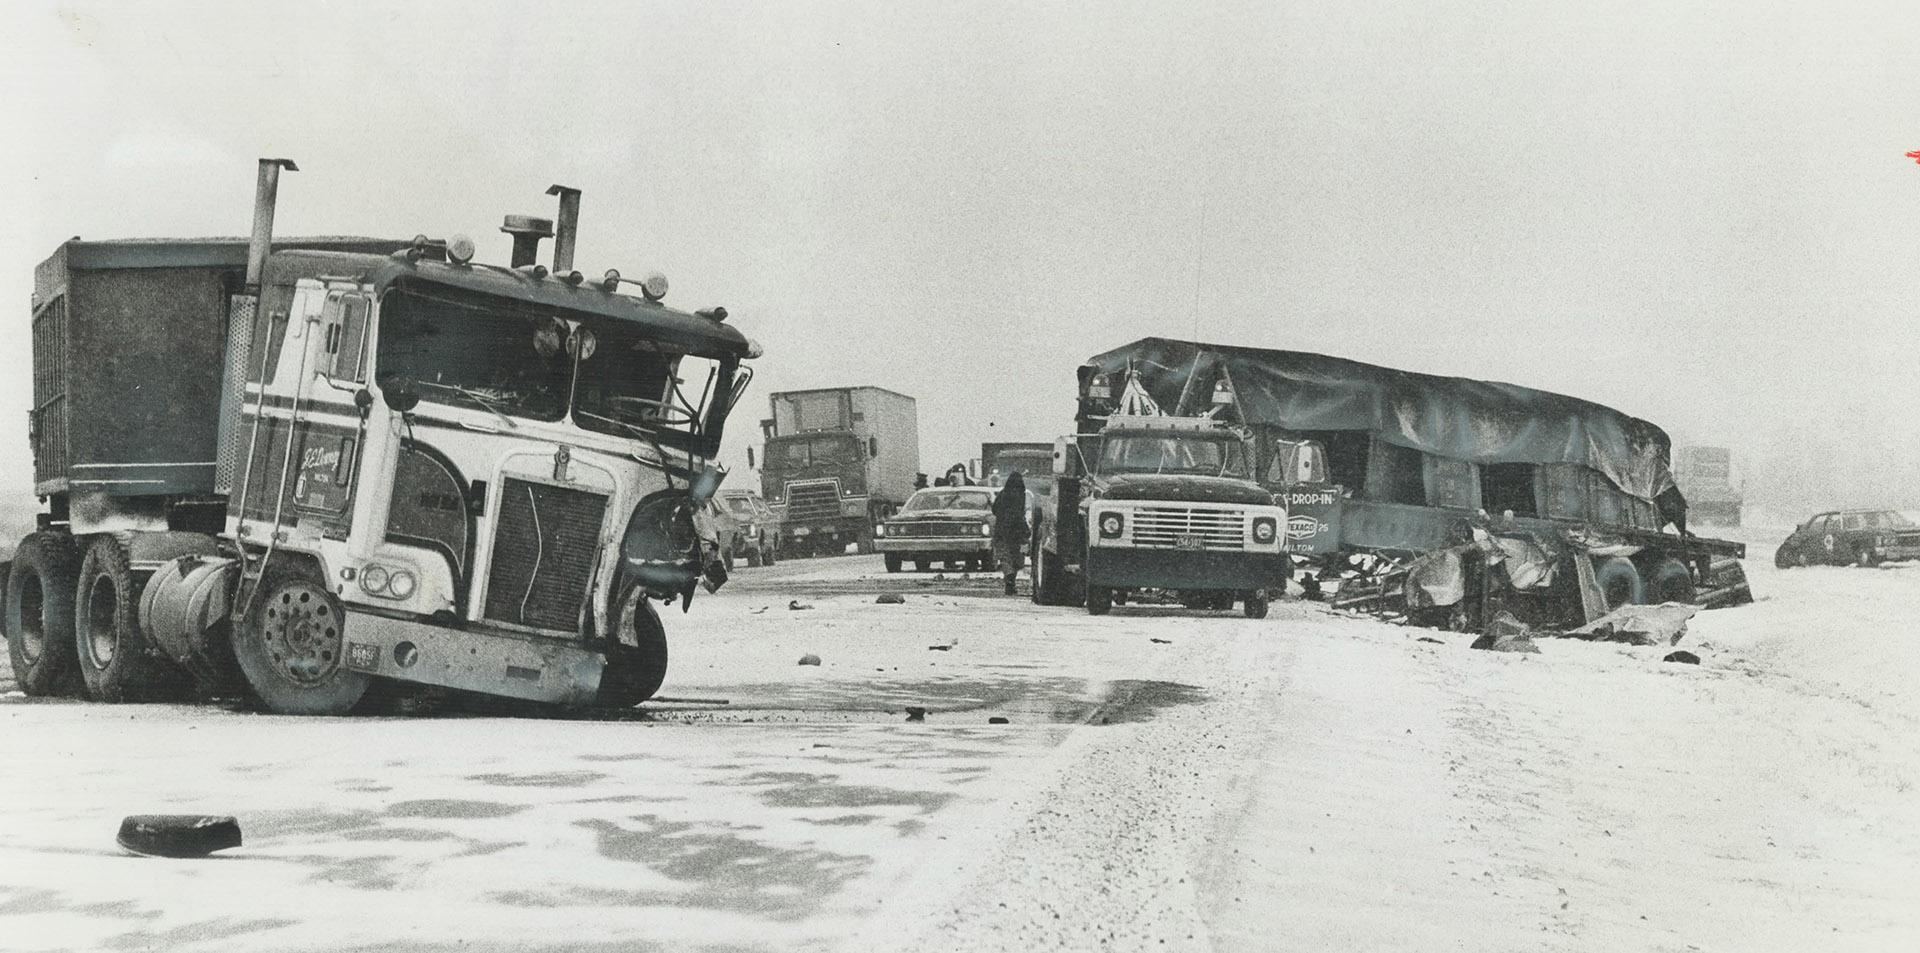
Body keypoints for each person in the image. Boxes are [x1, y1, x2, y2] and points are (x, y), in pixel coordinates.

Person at [990, 471, 1030, 596]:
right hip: (1016, 531)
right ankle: (1012, 580)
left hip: (1002, 530)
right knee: (1016, 557)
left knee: (1004, 556)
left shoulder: (1003, 493)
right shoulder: (1021, 495)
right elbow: (1021, 513)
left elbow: (994, 509)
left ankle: (1008, 576)